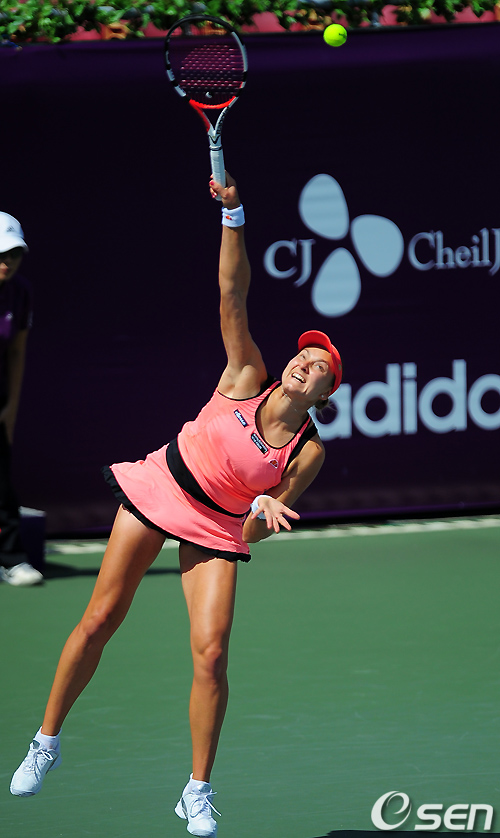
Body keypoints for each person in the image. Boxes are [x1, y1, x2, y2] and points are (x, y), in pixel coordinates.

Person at [10, 174, 342, 838]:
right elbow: (232, 292)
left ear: (325, 393)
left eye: (320, 368)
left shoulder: (307, 453)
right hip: (161, 486)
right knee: (101, 618)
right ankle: (45, 742)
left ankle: (197, 790)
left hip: (218, 526)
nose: (306, 364)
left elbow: (259, 526)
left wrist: (262, 515)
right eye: (304, 355)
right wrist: (233, 216)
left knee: (212, 655)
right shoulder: (246, 373)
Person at [0, 212, 43, 587]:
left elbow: (16, 352)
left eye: (14, 254)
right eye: (1, 255)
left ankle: (12, 560)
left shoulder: (20, 291)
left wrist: (11, 408)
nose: (8, 262)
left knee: (1, 480)